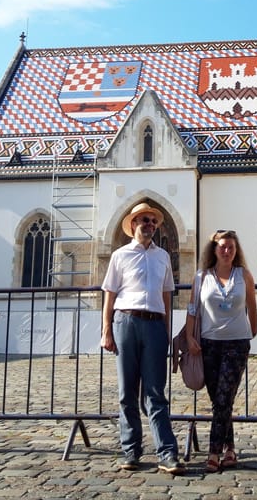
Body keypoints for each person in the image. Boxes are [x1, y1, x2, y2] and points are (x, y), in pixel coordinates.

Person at [100, 202, 185, 475]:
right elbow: (110, 294)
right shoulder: (120, 255)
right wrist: (106, 330)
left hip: (155, 325)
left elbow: (166, 296)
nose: (149, 224)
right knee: (127, 392)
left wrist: (168, 333)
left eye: (152, 221)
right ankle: (131, 451)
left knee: (156, 393)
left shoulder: (163, 257)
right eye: (143, 220)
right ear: (133, 224)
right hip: (125, 321)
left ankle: (167, 452)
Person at [185, 230, 257, 473]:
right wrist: (189, 336)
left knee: (224, 397)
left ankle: (214, 451)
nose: (227, 251)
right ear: (213, 249)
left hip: (237, 343)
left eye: (231, 247)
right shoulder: (201, 276)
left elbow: (252, 305)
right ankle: (230, 448)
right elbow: (193, 308)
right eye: (222, 247)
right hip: (209, 343)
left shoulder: (243, 274)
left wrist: (252, 331)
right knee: (219, 400)